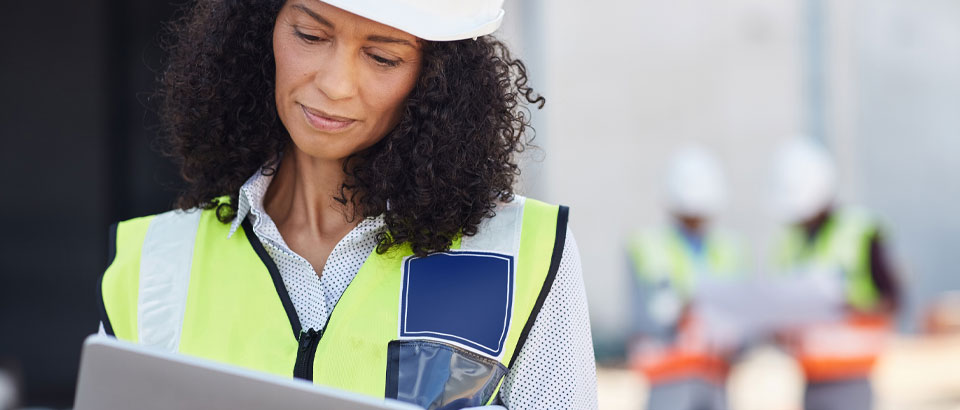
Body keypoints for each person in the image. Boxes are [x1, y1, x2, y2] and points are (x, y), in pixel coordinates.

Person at [97, 1, 598, 409]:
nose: (335, 83)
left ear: (438, 78)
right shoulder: (156, 264)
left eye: (382, 58)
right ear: (260, 29)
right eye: (310, 36)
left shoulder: (523, 254)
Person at [770, 137, 900, 410]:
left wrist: (848, 307)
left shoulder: (863, 232)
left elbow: (893, 300)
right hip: (810, 378)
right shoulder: (789, 244)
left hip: (853, 378)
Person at [627, 144, 744, 410]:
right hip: (668, 383)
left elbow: (742, 322)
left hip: (715, 382)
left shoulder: (730, 250)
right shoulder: (645, 246)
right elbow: (641, 321)